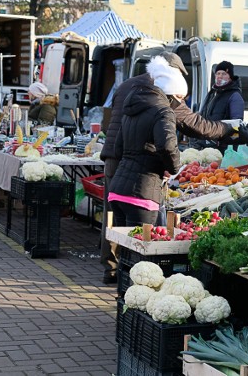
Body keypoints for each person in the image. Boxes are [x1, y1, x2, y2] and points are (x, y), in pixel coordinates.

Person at [99, 52, 234, 284]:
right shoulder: (162, 96)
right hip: (143, 173)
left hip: (117, 161)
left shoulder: (129, 87)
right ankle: (138, 282)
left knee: (115, 221)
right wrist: (226, 131)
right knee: (142, 235)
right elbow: (189, 128)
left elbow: (110, 123)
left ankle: (113, 269)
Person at [107, 55, 183, 229]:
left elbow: (118, 149)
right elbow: (167, 146)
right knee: (141, 250)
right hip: (142, 194)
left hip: (117, 190)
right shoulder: (163, 112)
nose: (181, 102)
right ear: (171, 94)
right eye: (180, 97)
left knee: (126, 247)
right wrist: (173, 168)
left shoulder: (131, 110)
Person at [192, 61, 244, 152]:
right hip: (206, 144)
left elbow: (237, 125)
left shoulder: (234, 96)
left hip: (221, 147)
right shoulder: (212, 92)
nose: (220, 76)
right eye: (218, 73)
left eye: (224, 74)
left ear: (230, 77)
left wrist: (227, 143)